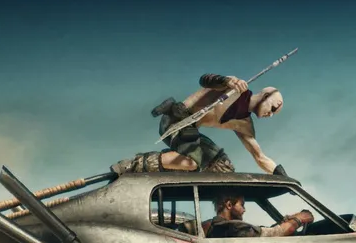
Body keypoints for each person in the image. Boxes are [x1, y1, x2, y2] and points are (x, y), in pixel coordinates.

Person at [110, 73, 287, 176]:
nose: (270, 114)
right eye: (273, 108)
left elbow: (259, 157)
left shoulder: (244, 124)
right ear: (265, 95)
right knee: (193, 162)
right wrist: (226, 81)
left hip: (191, 132)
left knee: (223, 167)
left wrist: (279, 173)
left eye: (274, 113)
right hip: (177, 119)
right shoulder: (233, 87)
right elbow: (205, 80)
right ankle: (133, 164)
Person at [201, 190, 313, 238]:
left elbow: (261, 231)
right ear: (229, 205)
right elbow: (274, 233)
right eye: (242, 205)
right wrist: (300, 218)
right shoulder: (232, 227)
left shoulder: (212, 226)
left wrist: (285, 221)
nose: (244, 210)